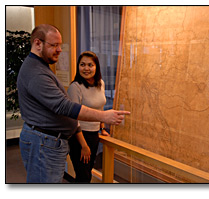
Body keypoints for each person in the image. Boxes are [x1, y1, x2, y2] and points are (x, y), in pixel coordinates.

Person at [17, 24, 130, 183]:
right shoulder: (36, 72)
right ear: (37, 43)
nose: (59, 50)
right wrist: (105, 116)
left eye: (60, 45)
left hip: (49, 142)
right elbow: (64, 106)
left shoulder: (41, 67)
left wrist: (102, 125)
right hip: (44, 143)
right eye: (54, 45)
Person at [67, 51, 109, 183]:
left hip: (94, 134)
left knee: (87, 172)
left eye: (90, 65)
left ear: (96, 67)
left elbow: (100, 108)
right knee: (83, 177)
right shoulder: (75, 87)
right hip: (79, 137)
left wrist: (102, 128)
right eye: (82, 64)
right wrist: (84, 145)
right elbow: (73, 119)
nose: (86, 68)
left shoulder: (100, 83)